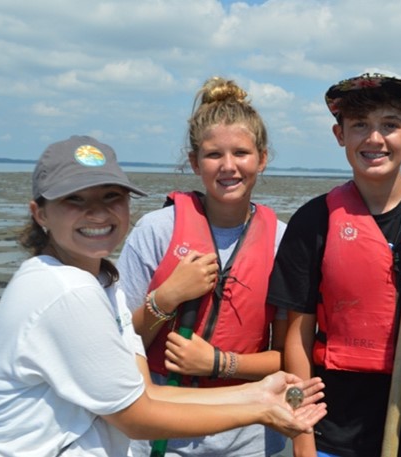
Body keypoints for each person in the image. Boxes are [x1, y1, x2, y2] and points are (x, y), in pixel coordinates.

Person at [0, 135, 327, 457]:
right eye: (74, 200)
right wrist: (261, 411)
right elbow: (138, 418)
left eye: (111, 197)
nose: (97, 213)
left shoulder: (102, 283)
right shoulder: (65, 290)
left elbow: (148, 391)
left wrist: (255, 392)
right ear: (40, 213)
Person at [268, 72, 401, 457]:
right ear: (340, 135)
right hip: (332, 434)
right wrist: (302, 441)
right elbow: (297, 339)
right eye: (360, 126)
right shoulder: (313, 220)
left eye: (390, 125)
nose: (374, 138)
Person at [116, 77, 292, 456]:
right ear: (195, 162)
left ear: (262, 158)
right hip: (162, 428)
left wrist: (217, 363)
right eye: (214, 155)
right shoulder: (155, 232)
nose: (228, 166)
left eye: (241, 153)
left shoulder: (283, 241)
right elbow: (118, 344)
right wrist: (166, 299)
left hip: (251, 433)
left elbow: (290, 358)